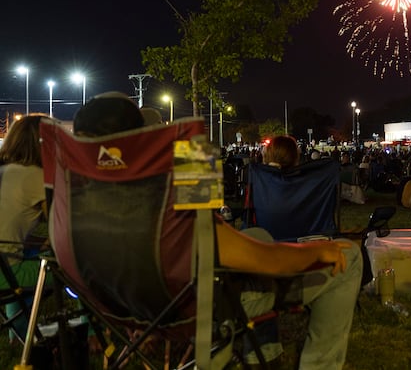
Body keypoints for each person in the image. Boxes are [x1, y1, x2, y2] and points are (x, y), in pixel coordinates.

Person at [71, 94, 362, 369]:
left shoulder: (72, 190)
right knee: (349, 258)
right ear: (148, 138)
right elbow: (253, 257)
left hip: (119, 302)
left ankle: (266, 353)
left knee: (259, 234)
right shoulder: (193, 157)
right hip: (194, 305)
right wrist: (314, 251)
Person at [0, 114, 48, 341]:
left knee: (28, 250)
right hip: (5, 275)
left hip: (5, 260)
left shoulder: (4, 170)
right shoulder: (37, 177)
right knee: (77, 267)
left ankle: (18, 331)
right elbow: (63, 224)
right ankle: (91, 335)